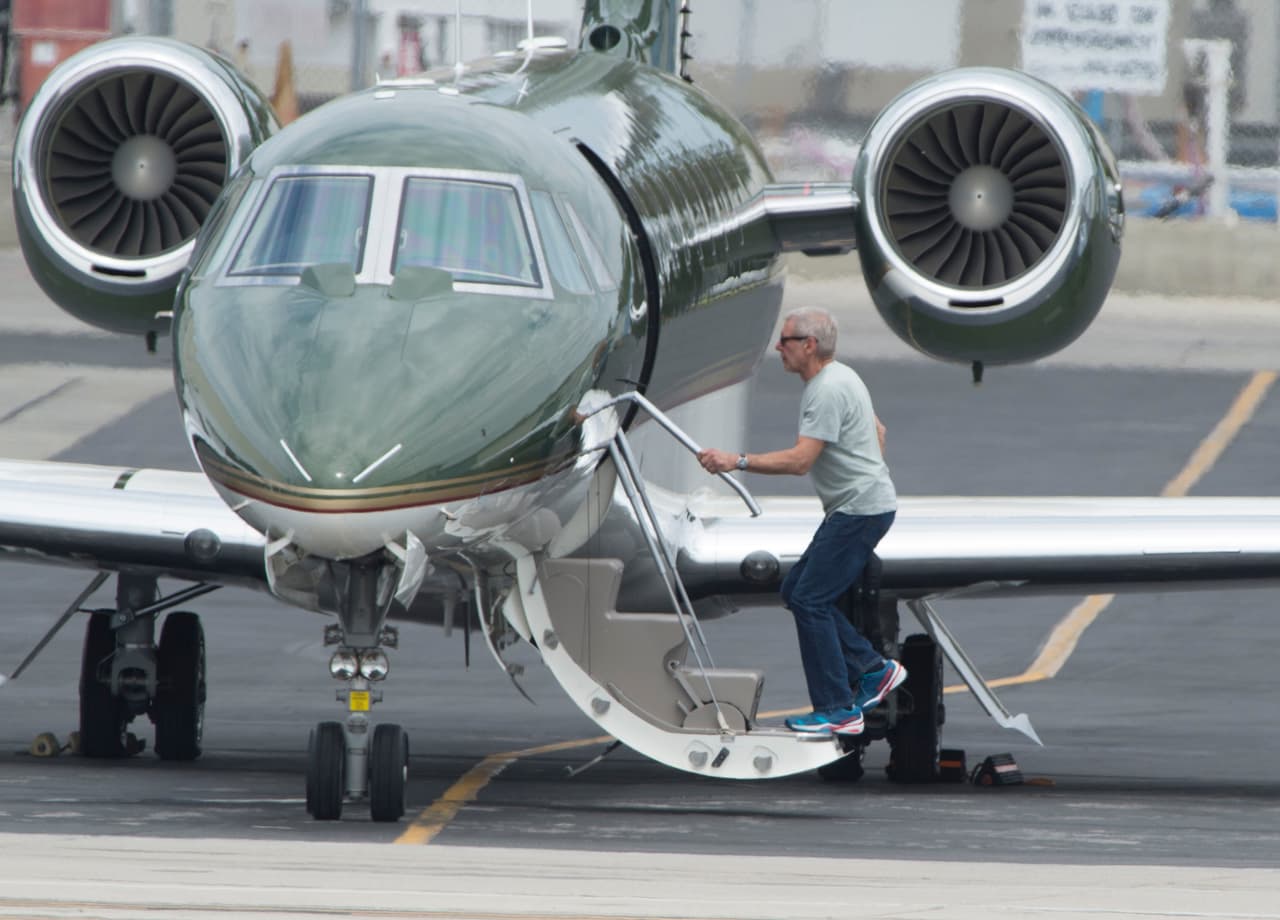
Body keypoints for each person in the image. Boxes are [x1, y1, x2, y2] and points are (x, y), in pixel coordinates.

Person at [696, 307, 904, 736]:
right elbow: (878, 432)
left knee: (809, 599)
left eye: (785, 340)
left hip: (858, 511)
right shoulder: (845, 377)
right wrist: (864, 474)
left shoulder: (824, 390)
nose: (778, 348)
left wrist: (736, 461)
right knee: (797, 590)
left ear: (809, 345)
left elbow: (800, 461)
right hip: (864, 505)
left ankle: (839, 709)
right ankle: (872, 669)